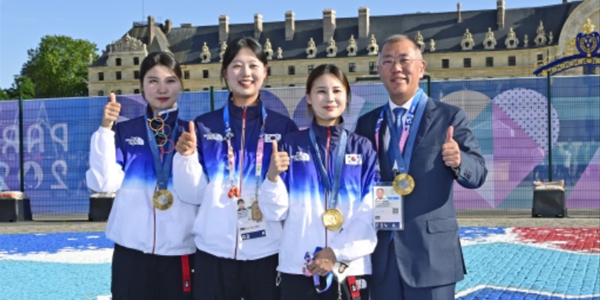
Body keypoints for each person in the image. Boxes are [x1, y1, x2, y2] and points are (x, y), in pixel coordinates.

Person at [355, 35, 487, 300]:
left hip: (432, 257)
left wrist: (459, 160)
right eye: (388, 61)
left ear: (421, 67)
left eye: (404, 60)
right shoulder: (368, 123)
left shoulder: (449, 117)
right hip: (383, 257)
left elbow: (479, 173)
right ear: (379, 70)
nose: (396, 68)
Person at [172, 37, 299, 300]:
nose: (246, 73)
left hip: (267, 251)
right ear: (225, 72)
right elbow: (192, 195)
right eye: (237, 65)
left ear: (265, 70)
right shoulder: (204, 126)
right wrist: (184, 158)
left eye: (253, 65)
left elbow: (290, 199)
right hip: (213, 252)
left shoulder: (283, 128)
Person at [259, 64, 378, 300]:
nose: (330, 98)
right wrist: (272, 178)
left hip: (348, 268)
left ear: (347, 96)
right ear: (309, 98)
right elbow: (275, 213)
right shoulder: (289, 145)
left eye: (337, 91)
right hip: (299, 267)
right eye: (321, 91)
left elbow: (371, 210)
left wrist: (335, 252)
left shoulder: (362, 148)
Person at [86, 52, 196, 299]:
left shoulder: (192, 132)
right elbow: (103, 182)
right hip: (131, 252)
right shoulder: (125, 131)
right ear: (142, 86)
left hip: (180, 252)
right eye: (153, 81)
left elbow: (200, 192)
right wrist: (105, 129)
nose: (162, 89)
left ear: (181, 84)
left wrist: (189, 157)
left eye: (170, 80)